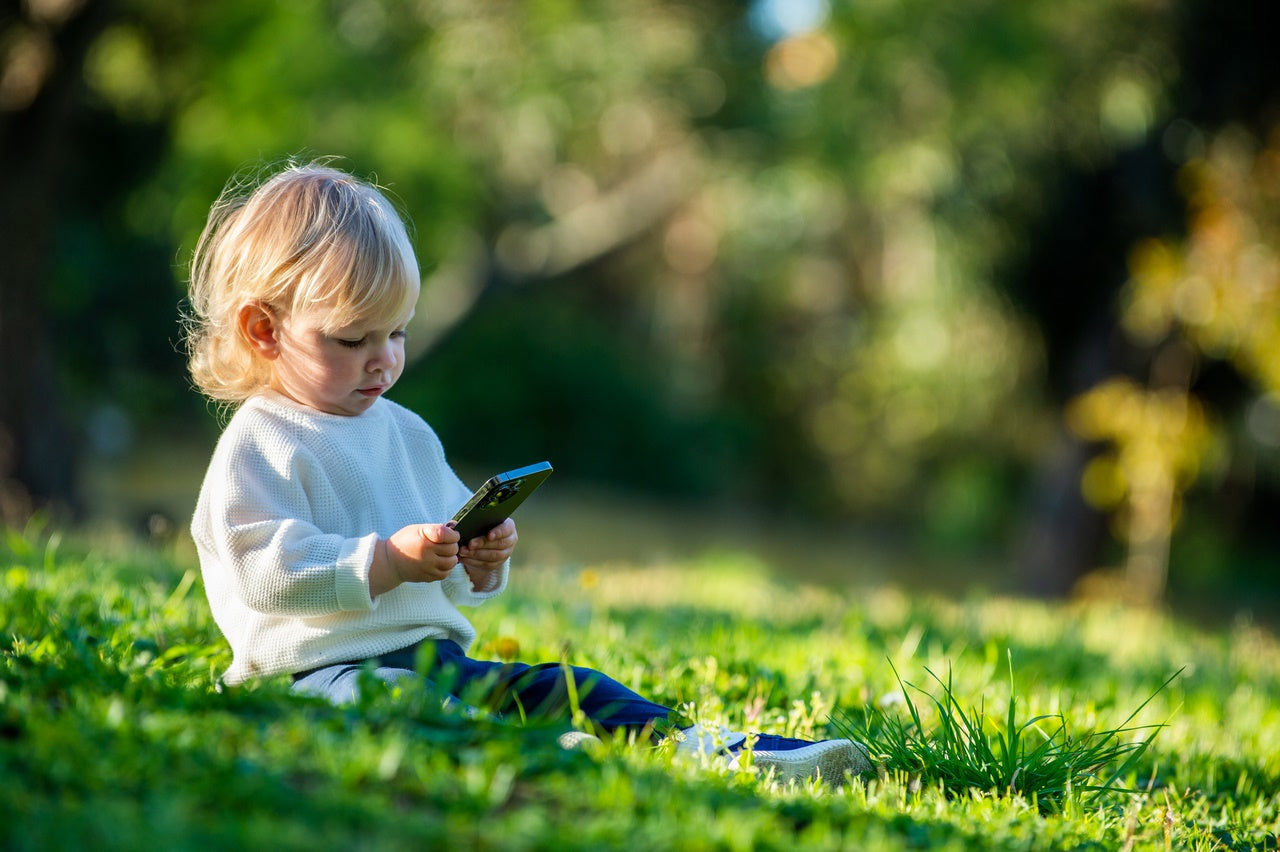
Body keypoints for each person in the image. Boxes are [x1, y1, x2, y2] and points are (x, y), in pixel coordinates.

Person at [184, 159, 869, 786]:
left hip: (435, 658)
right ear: (264, 331)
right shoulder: (262, 441)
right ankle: (537, 754)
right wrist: (386, 560)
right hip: (312, 674)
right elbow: (261, 572)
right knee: (401, 701)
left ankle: (725, 750)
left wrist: (479, 559)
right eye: (352, 338)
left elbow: (446, 554)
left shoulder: (405, 431)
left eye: (397, 333)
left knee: (570, 685)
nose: (384, 359)